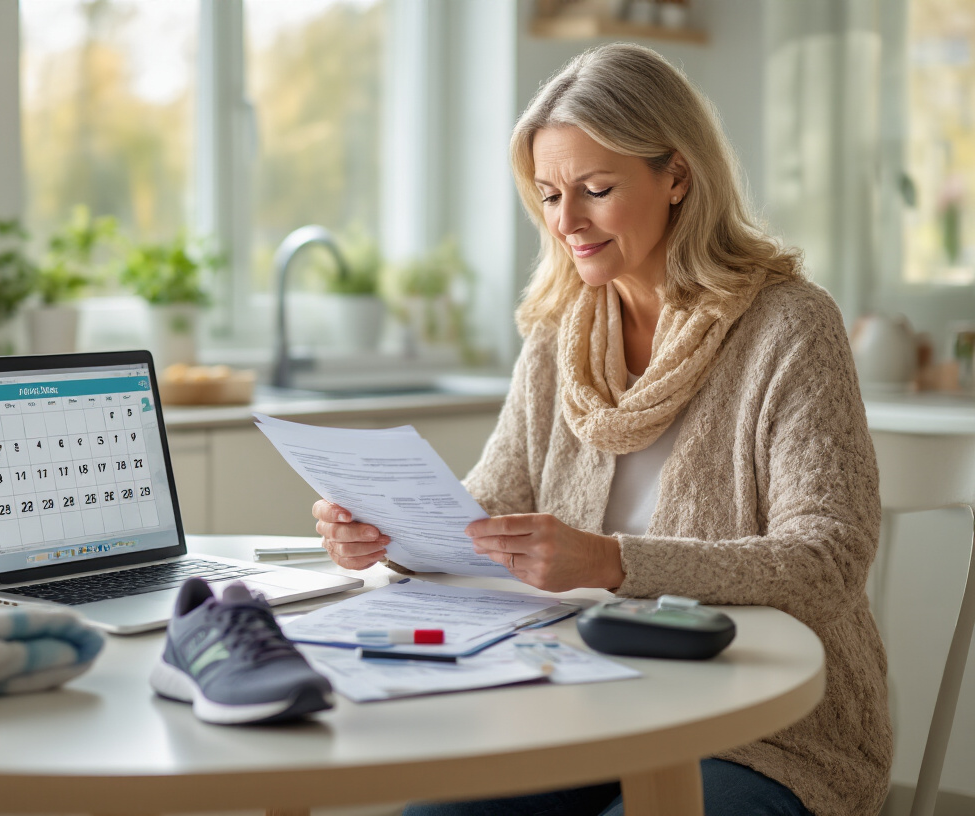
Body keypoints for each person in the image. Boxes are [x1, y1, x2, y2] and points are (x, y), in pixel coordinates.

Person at [311, 43, 890, 816]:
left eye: (595, 189)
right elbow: (491, 504)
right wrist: (391, 529)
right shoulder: (560, 334)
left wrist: (613, 561)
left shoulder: (789, 325)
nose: (567, 222)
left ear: (677, 175)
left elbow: (827, 561)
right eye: (549, 195)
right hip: (575, 699)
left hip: (762, 727)